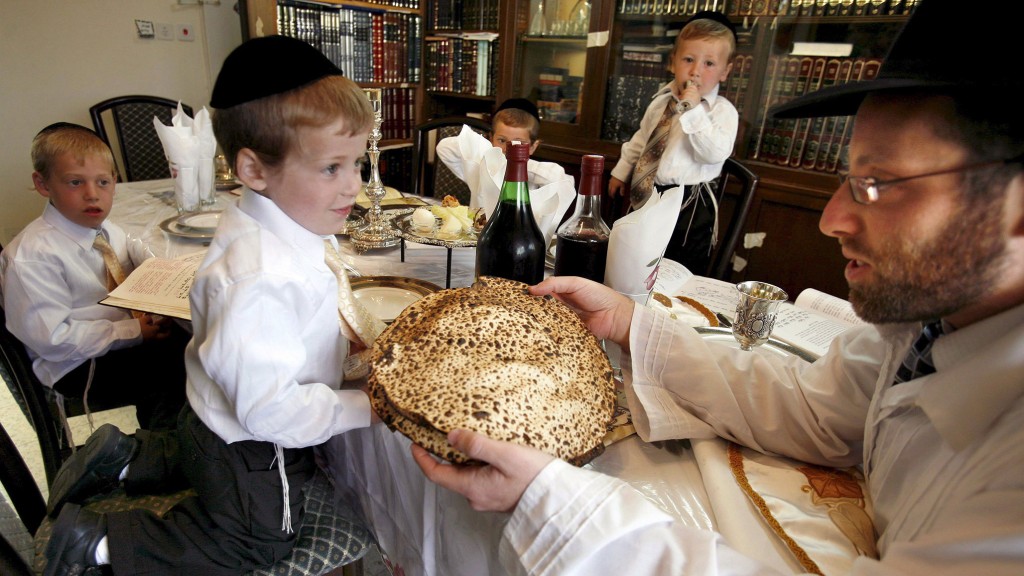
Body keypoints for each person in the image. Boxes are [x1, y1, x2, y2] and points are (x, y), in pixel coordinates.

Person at [411, 0, 1024, 573]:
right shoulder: (921, 327)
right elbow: (818, 407)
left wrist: (562, 505)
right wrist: (631, 323)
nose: (832, 218)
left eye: (880, 183)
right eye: (848, 178)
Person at [41, 35, 383, 576]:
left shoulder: (268, 226)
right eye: (331, 168)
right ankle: (96, 542)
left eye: (357, 164)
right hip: (250, 440)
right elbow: (270, 413)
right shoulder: (261, 279)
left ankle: (127, 458)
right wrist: (367, 407)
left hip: (207, 415)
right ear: (253, 170)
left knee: (202, 457)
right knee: (260, 541)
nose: (354, 186)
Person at [0, 122, 187, 433]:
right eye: (75, 183)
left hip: (107, 337)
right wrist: (134, 331)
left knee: (191, 341)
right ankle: (162, 449)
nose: (92, 195)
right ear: (43, 184)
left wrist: (164, 272)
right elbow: (53, 340)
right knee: (180, 361)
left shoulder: (101, 228)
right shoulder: (33, 257)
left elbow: (130, 247)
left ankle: (184, 435)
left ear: (115, 181)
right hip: (73, 364)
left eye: (103, 182)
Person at [608, 11, 738, 276]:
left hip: (691, 202)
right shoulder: (660, 102)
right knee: (638, 253)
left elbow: (714, 153)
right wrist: (620, 172)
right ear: (673, 62)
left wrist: (692, 110)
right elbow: (642, 139)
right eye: (688, 59)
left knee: (678, 265)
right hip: (649, 189)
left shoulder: (721, 112)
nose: (696, 71)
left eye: (709, 63)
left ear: (725, 71)